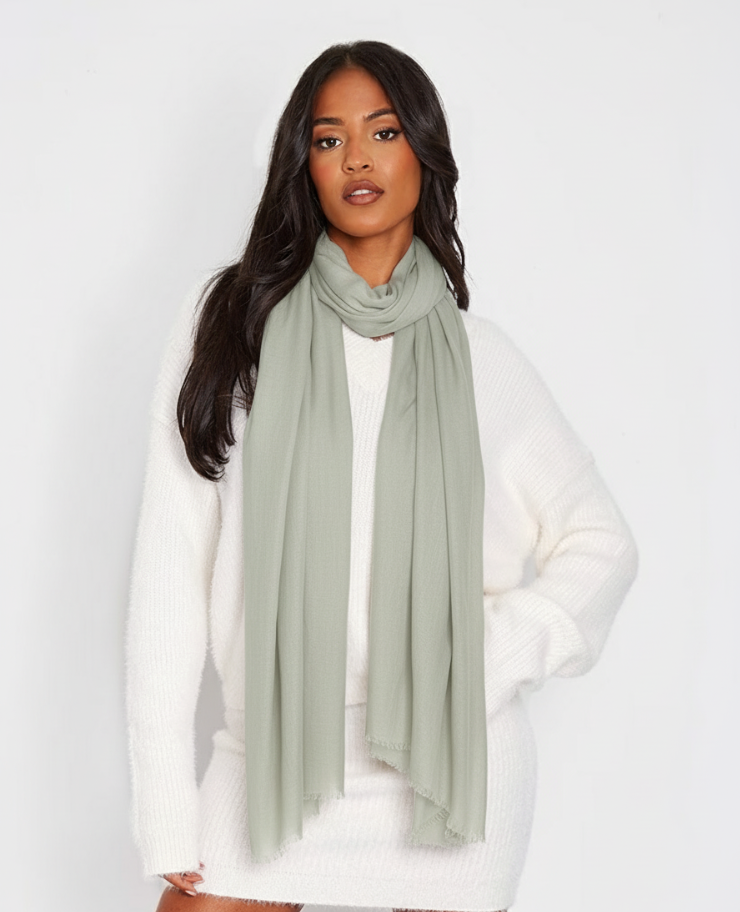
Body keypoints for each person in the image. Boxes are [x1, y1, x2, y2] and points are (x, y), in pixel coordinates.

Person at [125, 39, 639, 912]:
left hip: (448, 773)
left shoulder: (481, 361)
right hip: (270, 760)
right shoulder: (233, 326)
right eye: (328, 139)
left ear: (424, 152)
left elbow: (604, 544)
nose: (356, 158)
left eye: (384, 131)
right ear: (304, 166)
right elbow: (171, 568)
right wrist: (165, 800)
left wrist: (485, 660)